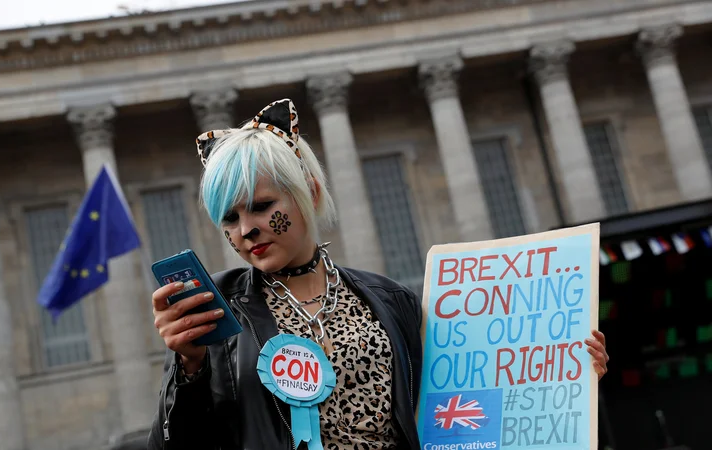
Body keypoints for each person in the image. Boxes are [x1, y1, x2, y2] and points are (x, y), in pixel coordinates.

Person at [147, 99, 610, 450]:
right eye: (228, 219)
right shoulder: (218, 311)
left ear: (307, 190)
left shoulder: (391, 300)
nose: (245, 230)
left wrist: (566, 379)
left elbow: (465, 409)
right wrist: (187, 369)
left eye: (262, 207)